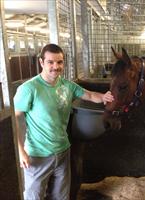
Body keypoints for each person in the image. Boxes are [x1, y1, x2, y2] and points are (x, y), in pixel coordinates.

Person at [13, 43, 114, 200]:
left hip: (62, 152)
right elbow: (17, 120)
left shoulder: (67, 86)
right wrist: (21, 152)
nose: (56, 66)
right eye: (50, 62)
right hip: (37, 155)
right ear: (41, 62)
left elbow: (90, 95)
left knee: (61, 196)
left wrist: (104, 97)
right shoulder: (29, 89)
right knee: (34, 196)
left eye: (59, 62)